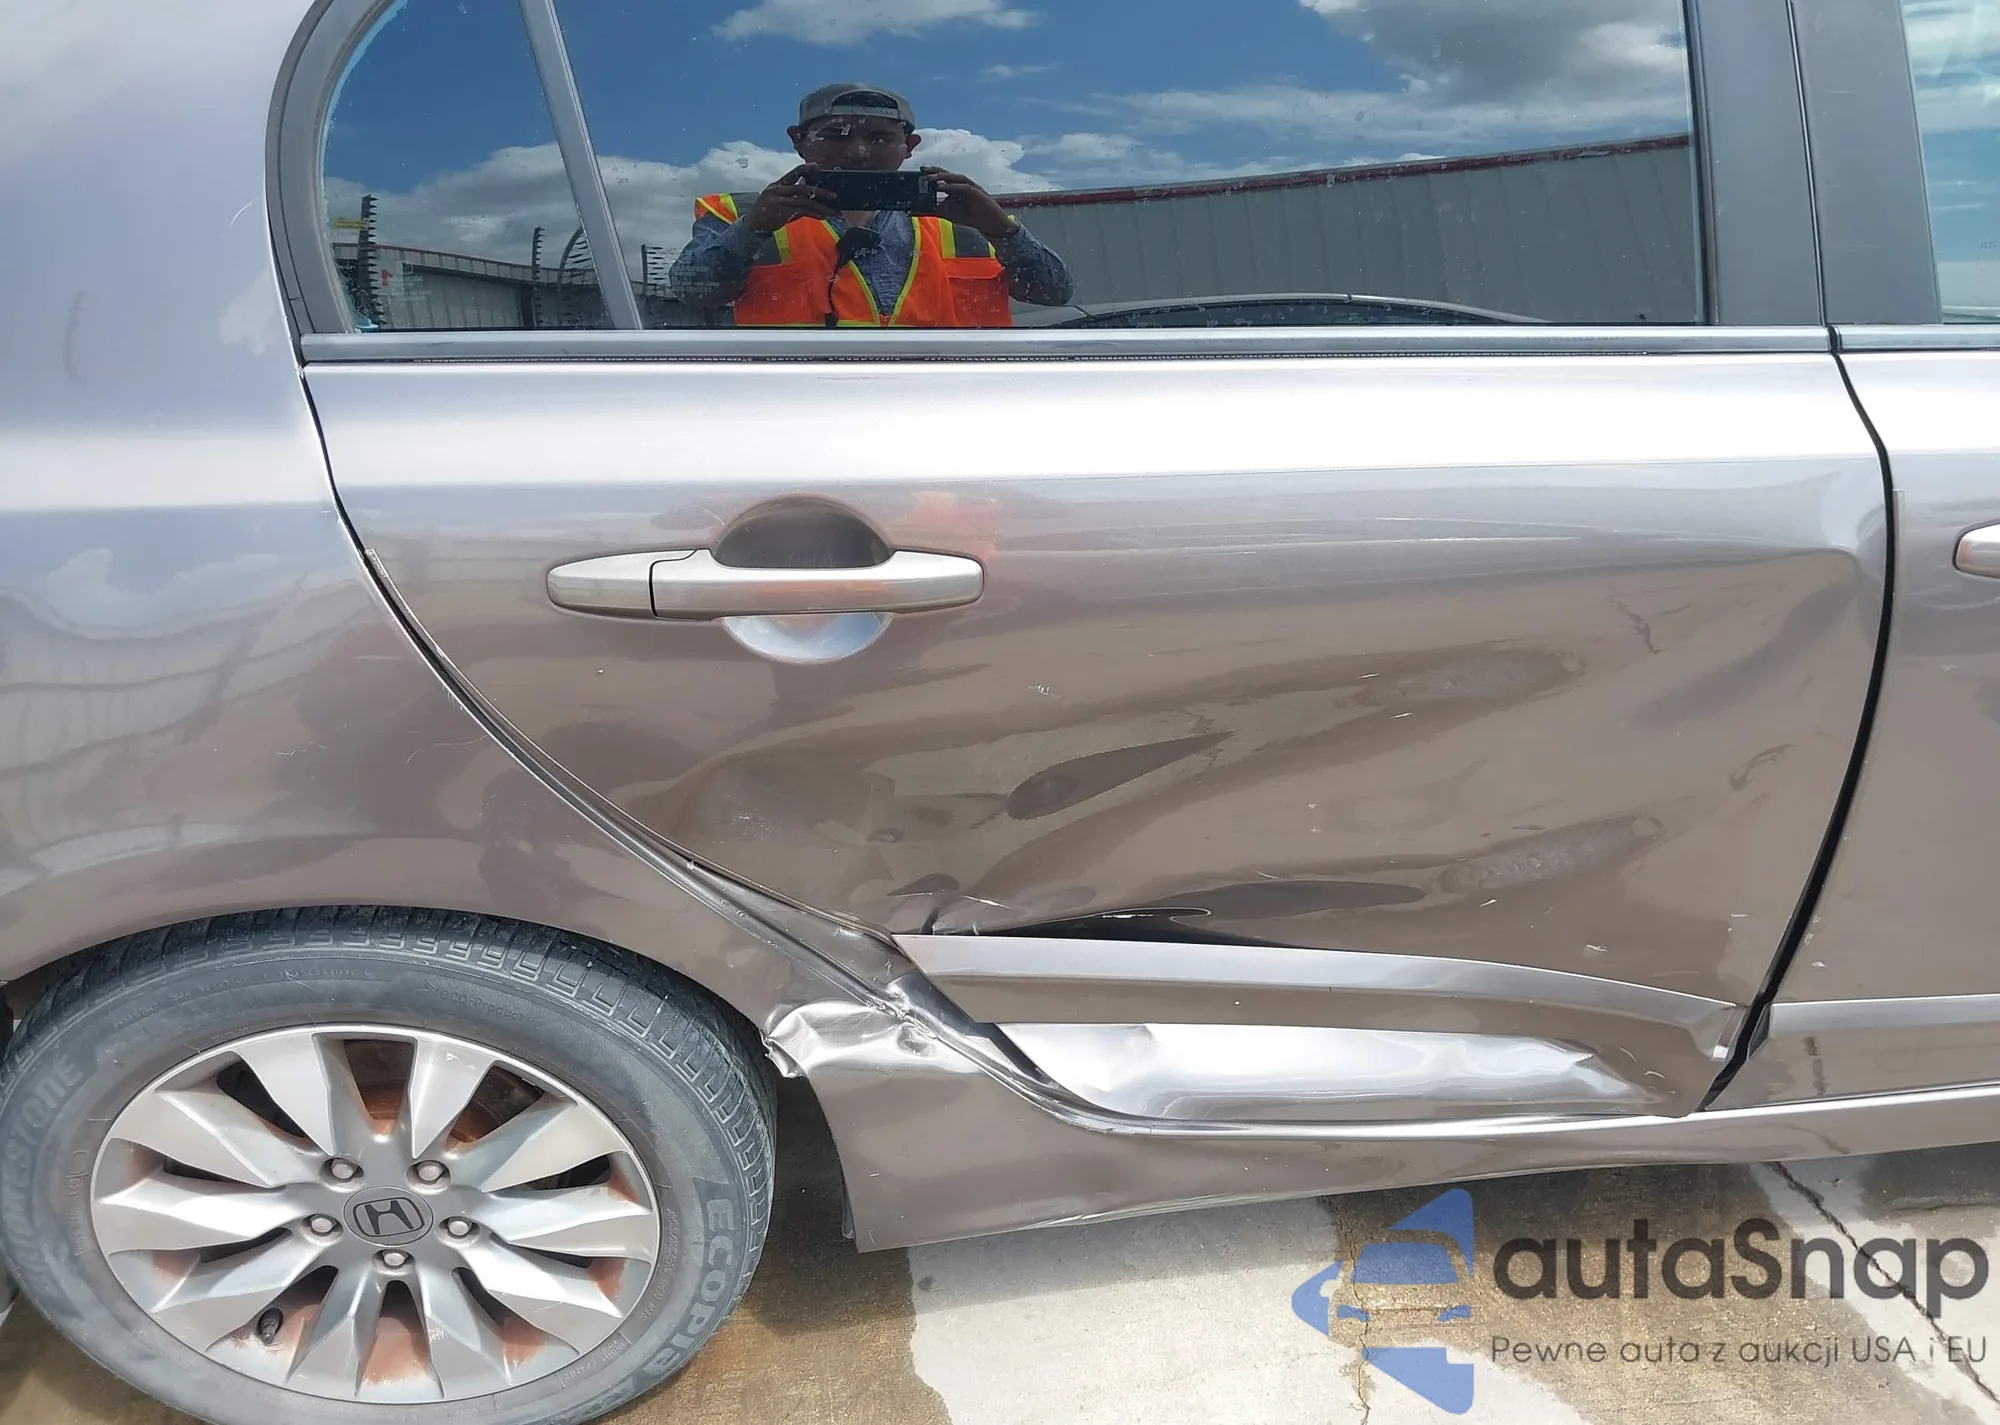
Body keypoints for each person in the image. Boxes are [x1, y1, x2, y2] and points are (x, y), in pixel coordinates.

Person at [668, 82, 1073, 328]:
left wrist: (1003, 231)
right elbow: (692, 292)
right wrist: (752, 229)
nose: (858, 152)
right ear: (798, 141)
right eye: (836, 135)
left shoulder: (970, 216)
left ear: (909, 146)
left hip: (950, 408)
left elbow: (1054, 293)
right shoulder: (740, 214)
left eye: (879, 138)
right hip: (800, 409)